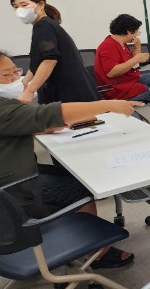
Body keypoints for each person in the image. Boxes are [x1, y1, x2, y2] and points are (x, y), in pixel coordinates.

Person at [0, 50, 140, 267]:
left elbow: (40, 122)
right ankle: (97, 254)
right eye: (5, 75)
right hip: (14, 197)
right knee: (81, 186)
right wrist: (108, 105)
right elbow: (47, 115)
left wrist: (59, 120)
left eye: (14, 72)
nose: (14, 80)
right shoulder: (3, 108)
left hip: (12, 182)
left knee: (64, 173)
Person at [10, 0, 99, 104]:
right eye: (15, 7)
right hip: (74, 91)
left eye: (24, 5)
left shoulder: (42, 26)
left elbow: (49, 60)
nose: (19, 10)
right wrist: (24, 83)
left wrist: (29, 91)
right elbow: (35, 64)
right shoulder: (46, 25)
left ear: (41, 4)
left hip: (69, 93)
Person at [94, 13, 150, 110]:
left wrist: (137, 46)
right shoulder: (108, 45)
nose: (137, 35)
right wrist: (135, 59)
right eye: (136, 32)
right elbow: (111, 72)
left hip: (129, 79)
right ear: (129, 31)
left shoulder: (121, 44)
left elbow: (134, 65)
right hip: (118, 89)